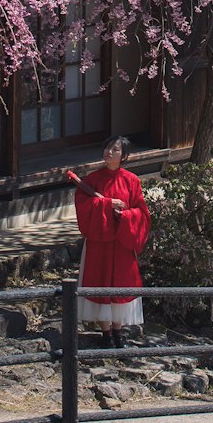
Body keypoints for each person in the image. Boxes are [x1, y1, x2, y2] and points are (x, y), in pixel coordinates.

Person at [74, 134, 151, 347]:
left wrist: (126, 216)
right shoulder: (91, 180)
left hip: (122, 242)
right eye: (108, 147)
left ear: (124, 156)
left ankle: (119, 331)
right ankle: (106, 332)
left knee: (121, 283)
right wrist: (107, 205)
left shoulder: (132, 181)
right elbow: (83, 204)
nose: (109, 152)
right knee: (101, 280)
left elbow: (141, 212)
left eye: (115, 150)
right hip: (100, 241)